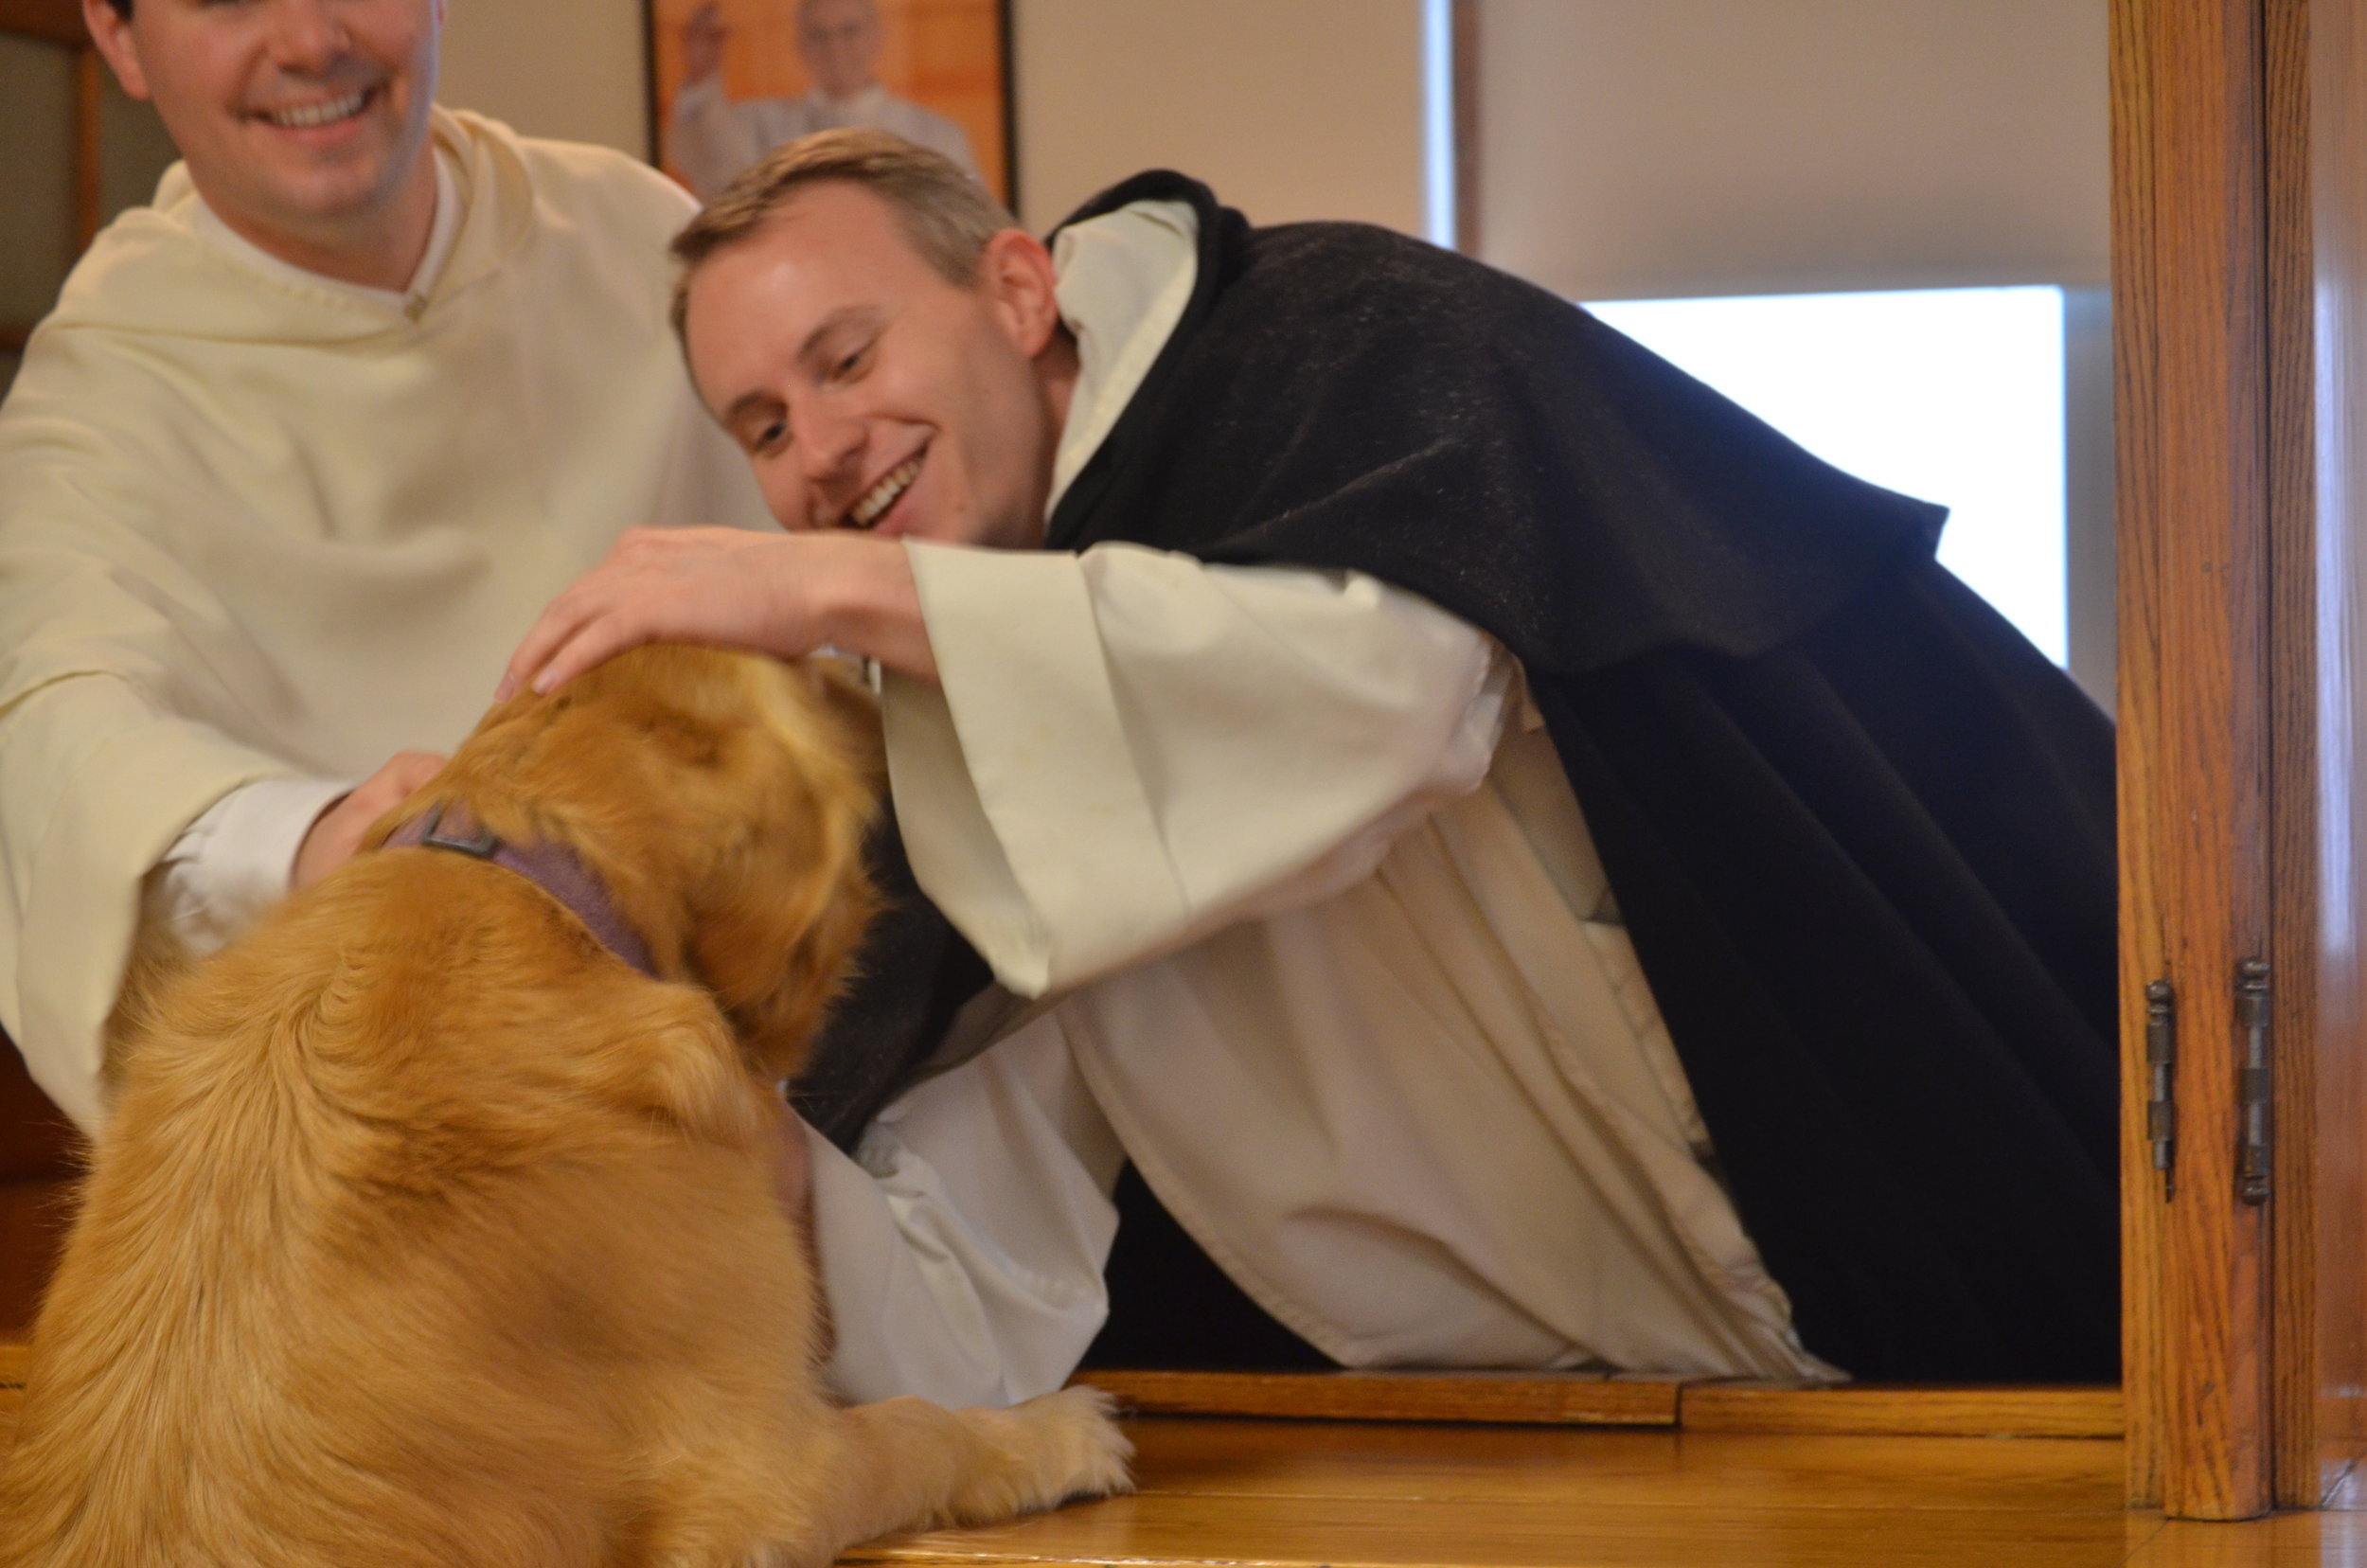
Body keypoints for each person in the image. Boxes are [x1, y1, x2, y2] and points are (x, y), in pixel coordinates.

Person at [503, 133, 2121, 1407]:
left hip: (1859, 1217)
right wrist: (740, 1152)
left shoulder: (1335, 338)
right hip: (1560, 1438)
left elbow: (1388, 697)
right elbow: (991, 1240)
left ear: (1015, 290)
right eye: (765, 427)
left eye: (847, 360)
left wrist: (831, 592)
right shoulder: (952, 711)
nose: (821, 452)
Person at [0, 0, 771, 1136]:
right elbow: (59, 748)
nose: (311, 39)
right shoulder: (99, 401)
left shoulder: (639, 240)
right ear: (118, 40)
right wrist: (323, 843)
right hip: (411, 1166)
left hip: (768, 1090)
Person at [666, 0, 980, 205]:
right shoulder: (759, 124)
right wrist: (702, 76)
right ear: (800, 43)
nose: (835, 47)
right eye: (819, 34)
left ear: (876, 37)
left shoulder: (937, 135)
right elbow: (708, 166)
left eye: (849, 31)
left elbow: (965, 228)